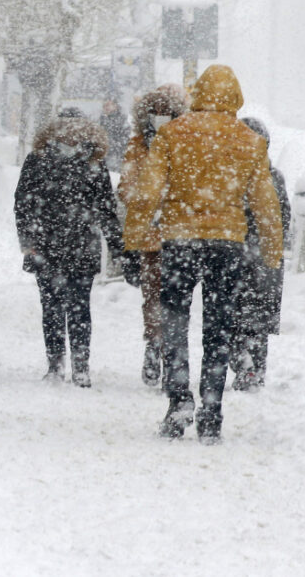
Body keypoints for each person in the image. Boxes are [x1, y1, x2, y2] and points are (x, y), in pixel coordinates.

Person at [143, 64, 283, 443]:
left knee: (174, 323)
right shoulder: (250, 142)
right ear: (236, 97)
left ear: (198, 93)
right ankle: (211, 409)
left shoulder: (172, 133)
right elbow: (266, 204)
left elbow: (148, 192)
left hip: (180, 241)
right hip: (227, 244)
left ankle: (178, 400)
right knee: (218, 328)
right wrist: (272, 250)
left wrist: (137, 234)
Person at [14, 108, 133, 388]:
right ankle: (73, 366)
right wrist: (117, 247)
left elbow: (23, 202)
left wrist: (28, 239)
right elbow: (106, 209)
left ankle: (63, 365)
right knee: (72, 307)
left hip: (55, 244)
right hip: (72, 245)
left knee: (59, 307)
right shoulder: (89, 161)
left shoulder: (44, 158)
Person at [117, 84, 189, 387]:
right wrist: (148, 202)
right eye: (155, 112)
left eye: (166, 112)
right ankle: (155, 344)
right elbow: (126, 187)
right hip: (152, 238)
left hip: (179, 236)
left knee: (175, 300)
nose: (160, 117)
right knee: (153, 298)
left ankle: (169, 352)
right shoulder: (138, 145)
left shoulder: (186, 142)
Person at [230, 117, 292, 390]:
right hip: (264, 258)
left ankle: (242, 362)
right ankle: (253, 369)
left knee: (232, 315)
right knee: (256, 321)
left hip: (238, 254)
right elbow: (284, 219)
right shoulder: (273, 176)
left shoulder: (228, 175)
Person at [99, 97, 130, 172]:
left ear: (115, 106)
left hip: (116, 156)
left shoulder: (121, 119)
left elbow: (124, 139)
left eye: (108, 105)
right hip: (105, 156)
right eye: (104, 105)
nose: (106, 107)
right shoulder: (101, 119)